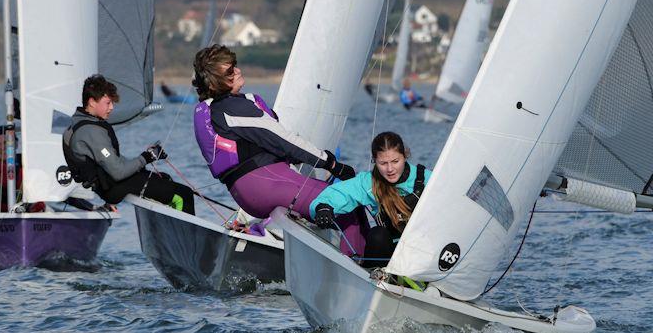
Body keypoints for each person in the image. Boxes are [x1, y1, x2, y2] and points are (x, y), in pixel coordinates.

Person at [192, 45, 355, 219]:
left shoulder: (215, 111)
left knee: (328, 203)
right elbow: (283, 140)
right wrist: (330, 163)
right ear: (215, 83)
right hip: (266, 184)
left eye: (235, 65)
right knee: (347, 199)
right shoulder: (234, 108)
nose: (238, 71)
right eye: (231, 71)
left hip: (247, 193)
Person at [63, 74, 195, 214]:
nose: (112, 107)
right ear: (92, 102)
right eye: (108, 103)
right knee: (183, 194)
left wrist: (144, 160)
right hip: (114, 186)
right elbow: (118, 172)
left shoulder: (78, 121)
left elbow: (112, 160)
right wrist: (146, 157)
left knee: (165, 179)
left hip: (109, 183)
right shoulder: (91, 132)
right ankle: (190, 235)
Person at [309, 131, 432, 265]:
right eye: (383, 163)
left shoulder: (428, 178)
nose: (390, 169)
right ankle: (375, 277)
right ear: (374, 161)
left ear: (405, 156)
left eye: (395, 161)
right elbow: (340, 193)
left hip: (424, 250)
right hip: (389, 253)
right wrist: (323, 207)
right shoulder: (369, 182)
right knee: (377, 235)